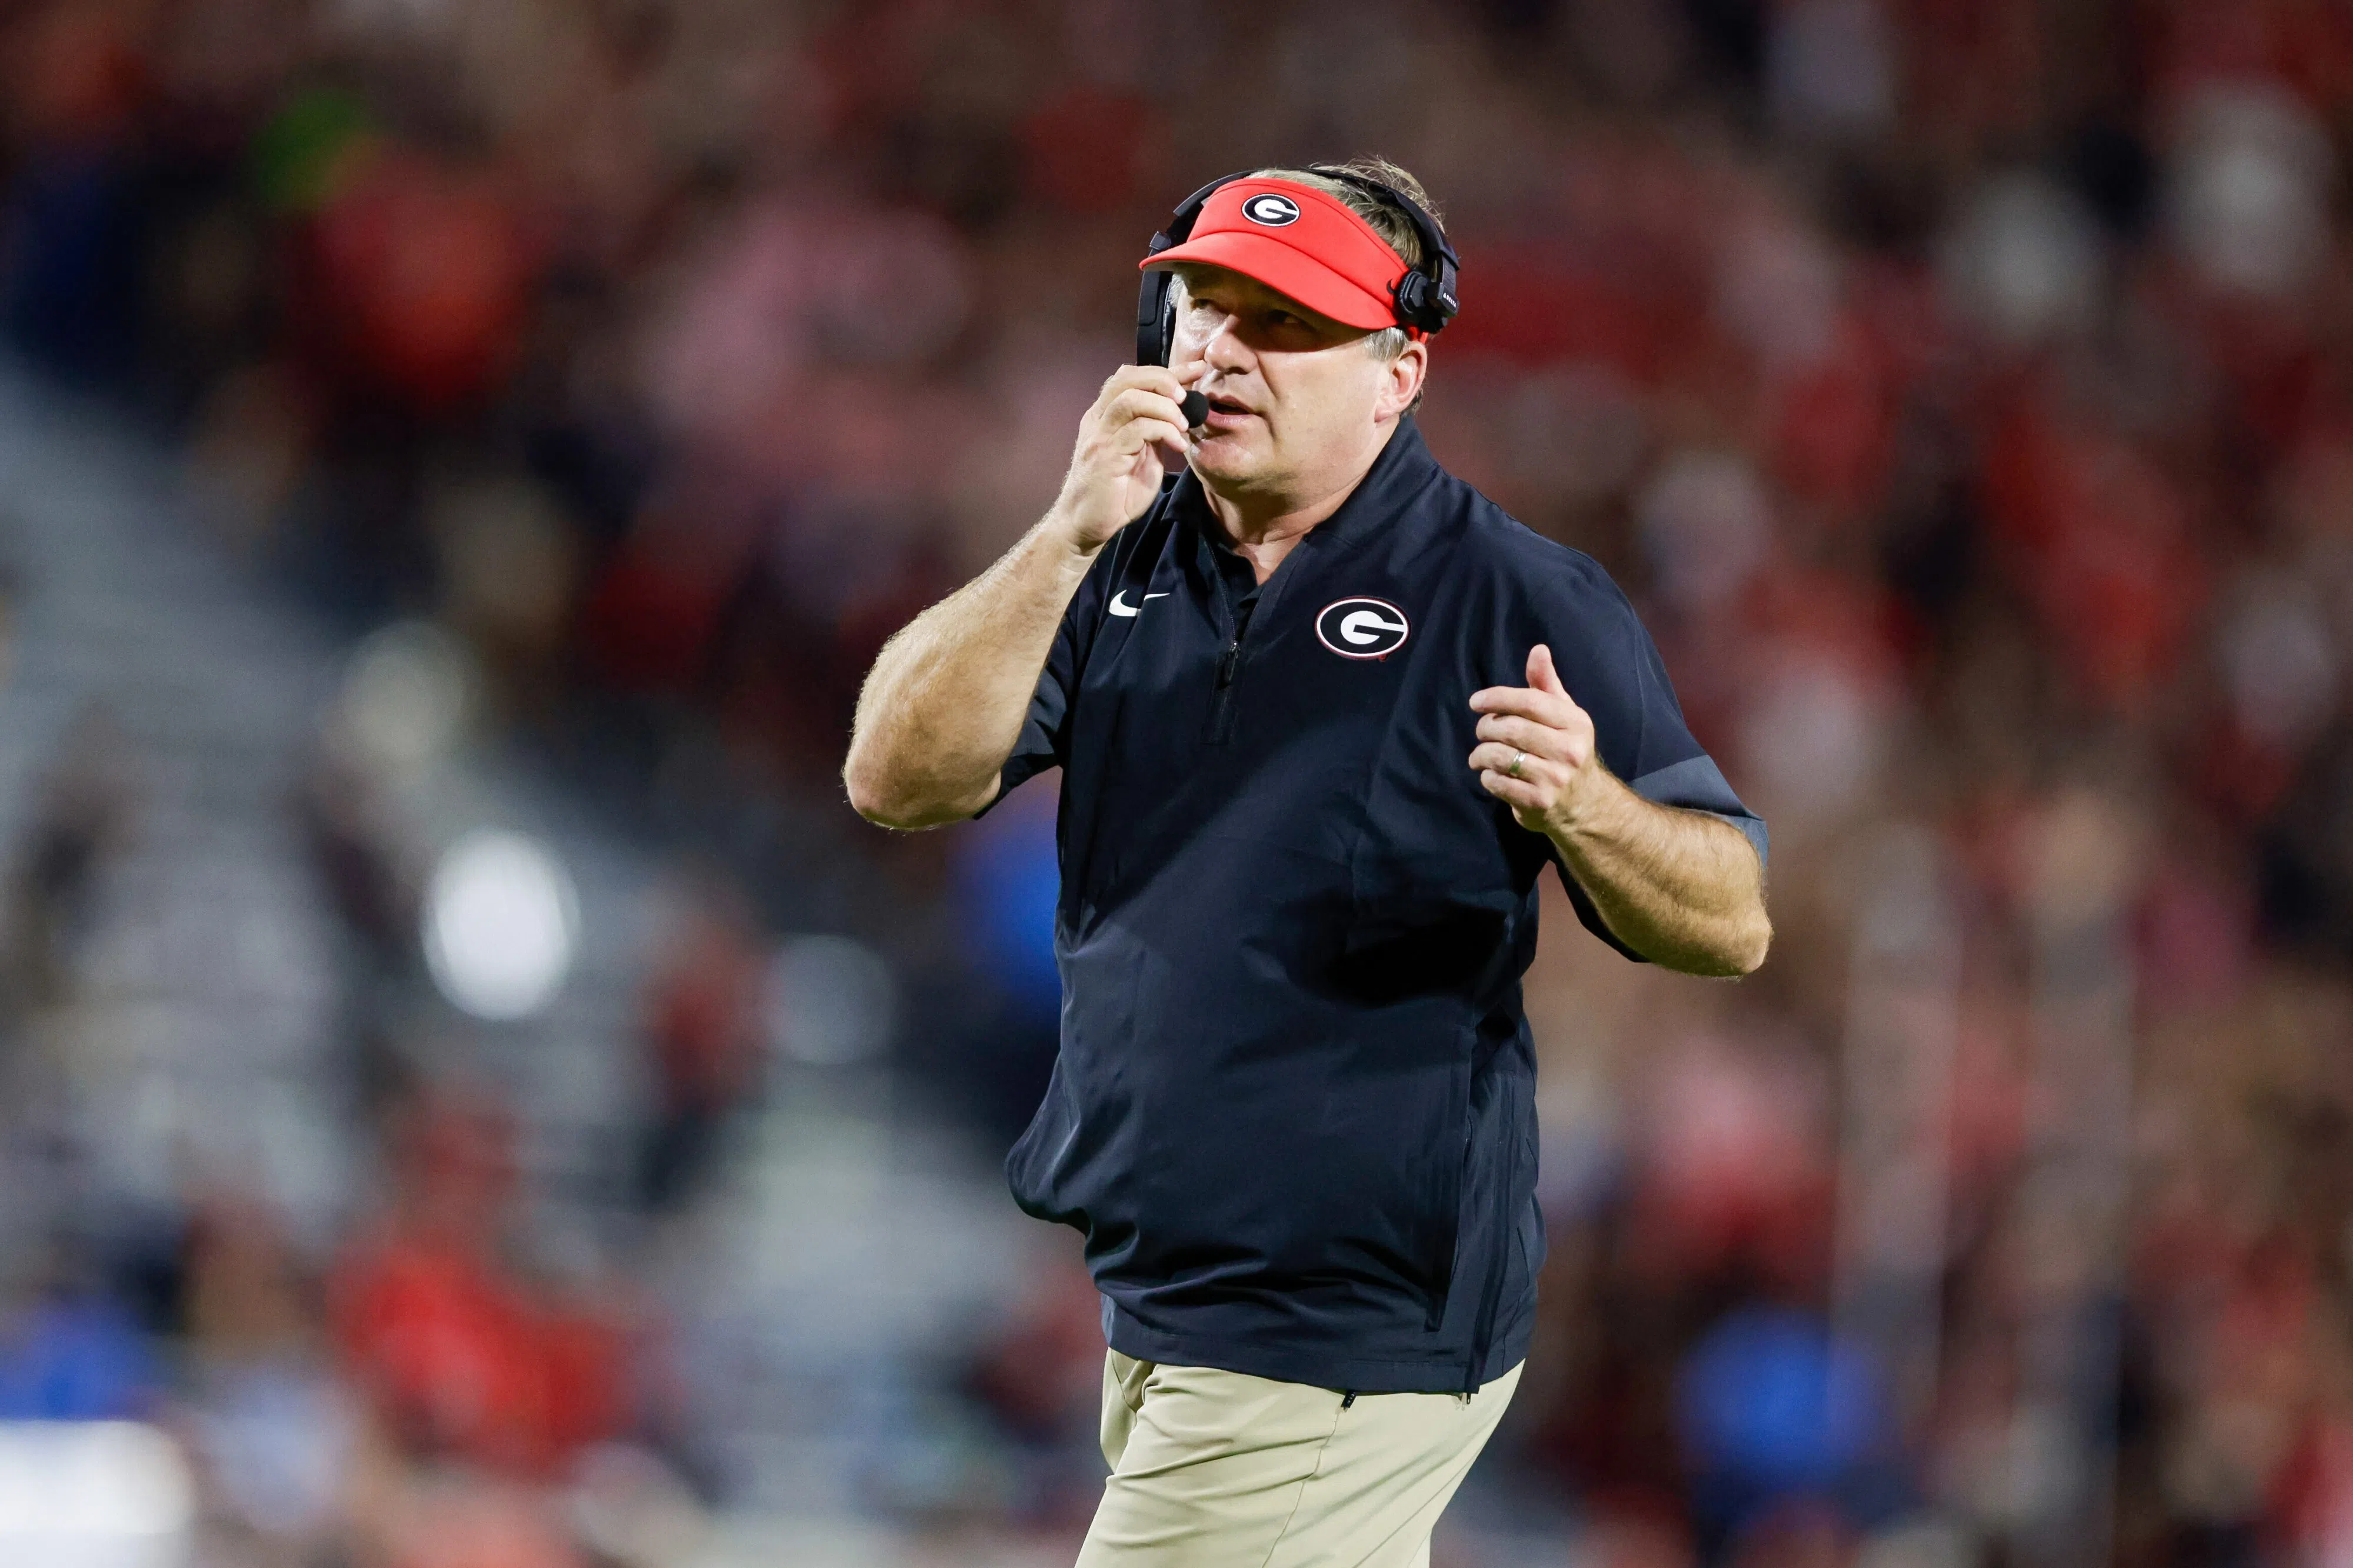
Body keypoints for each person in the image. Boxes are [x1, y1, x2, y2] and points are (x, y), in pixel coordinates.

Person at [844, 159, 1771, 1566]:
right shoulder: (1114, 560)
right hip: (1168, 1299)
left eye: (1282, 321)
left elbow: (1731, 914)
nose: (1222, 349)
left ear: (1397, 374)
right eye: (1203, 307)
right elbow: (895, 777)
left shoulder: (1508, 596)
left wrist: (1585, 802)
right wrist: (1063, 531)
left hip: (1336, 1320)